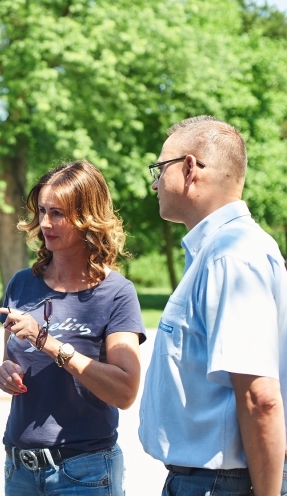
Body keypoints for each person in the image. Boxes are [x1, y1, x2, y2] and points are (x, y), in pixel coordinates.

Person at [138, 116, 287, 495]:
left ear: (189, 168)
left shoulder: (232, 254)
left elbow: (260, 397)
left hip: (220, 482)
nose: (155, 183)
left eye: (160, 169)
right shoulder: (219, 251)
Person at [0, 161, 145, 495]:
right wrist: (4, 374)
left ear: (87, 218)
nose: (45, 223)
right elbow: (10, 361)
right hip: (19, 469)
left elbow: (125, 391)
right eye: (42, 211)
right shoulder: (21, 284)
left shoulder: (116, 293)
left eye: (58, 213)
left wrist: (46, 341)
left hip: (84, 473)